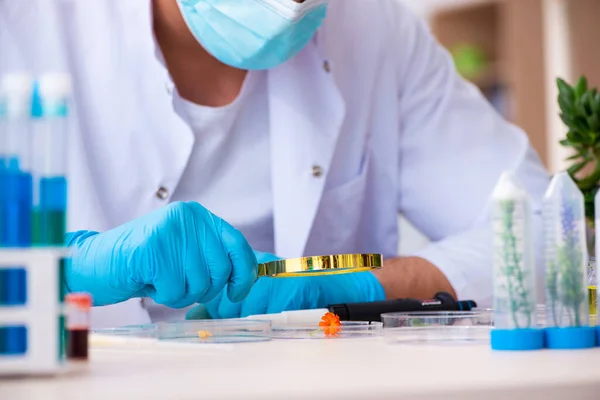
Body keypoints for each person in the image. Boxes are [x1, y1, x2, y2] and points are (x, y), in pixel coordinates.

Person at [0, 0, 550, 328]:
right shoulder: (23, 26)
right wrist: (66, 268)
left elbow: (546, 229)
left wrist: (357, 289)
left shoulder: (374, 28)